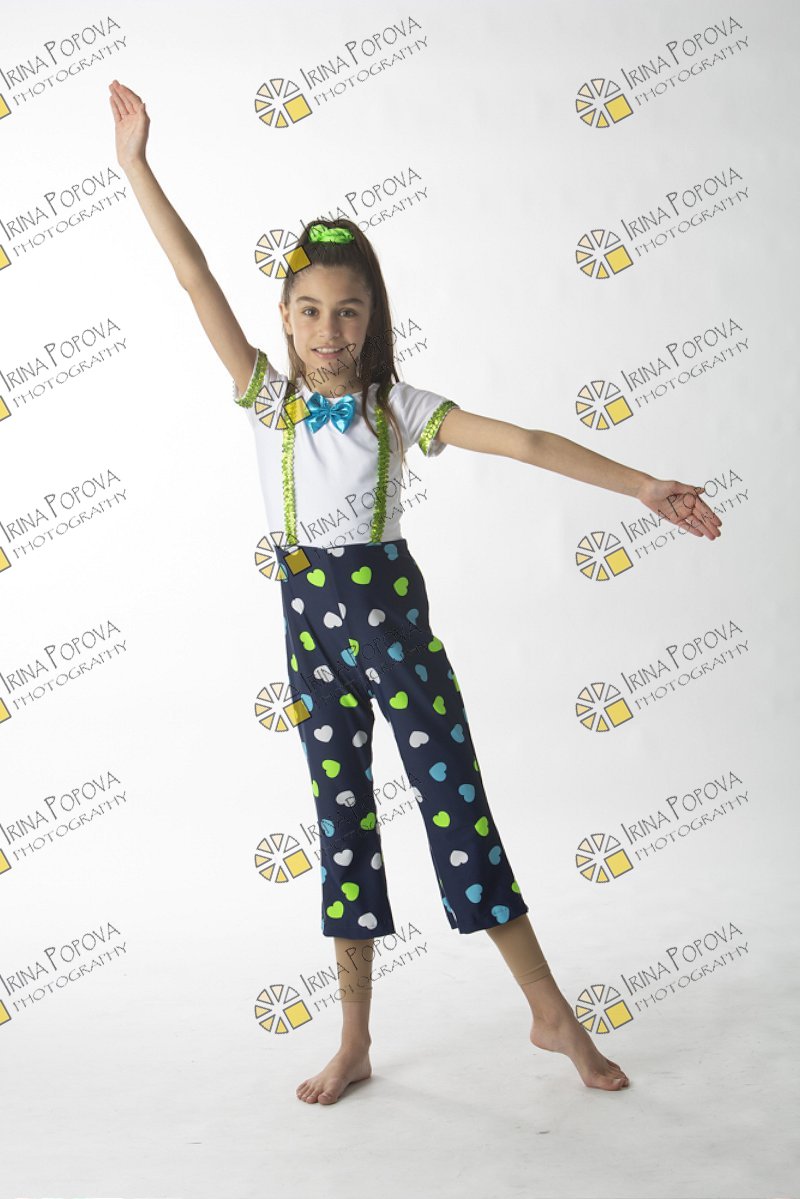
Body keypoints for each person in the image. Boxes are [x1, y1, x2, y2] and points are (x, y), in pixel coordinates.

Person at [109, 78, 722, 1106]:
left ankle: (549, 1010)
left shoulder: (397, 408)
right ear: (284, 317)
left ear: (372, 318)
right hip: (308, 631)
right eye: (310, 310)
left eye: (347, 311)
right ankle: (353, 1037)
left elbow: (525, 441)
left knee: (452, 801)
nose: (328, 329)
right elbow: (191, 272)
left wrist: (641, 485)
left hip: (389, 622)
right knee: (341, 819)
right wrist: (136, 167)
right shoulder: (266, 400)